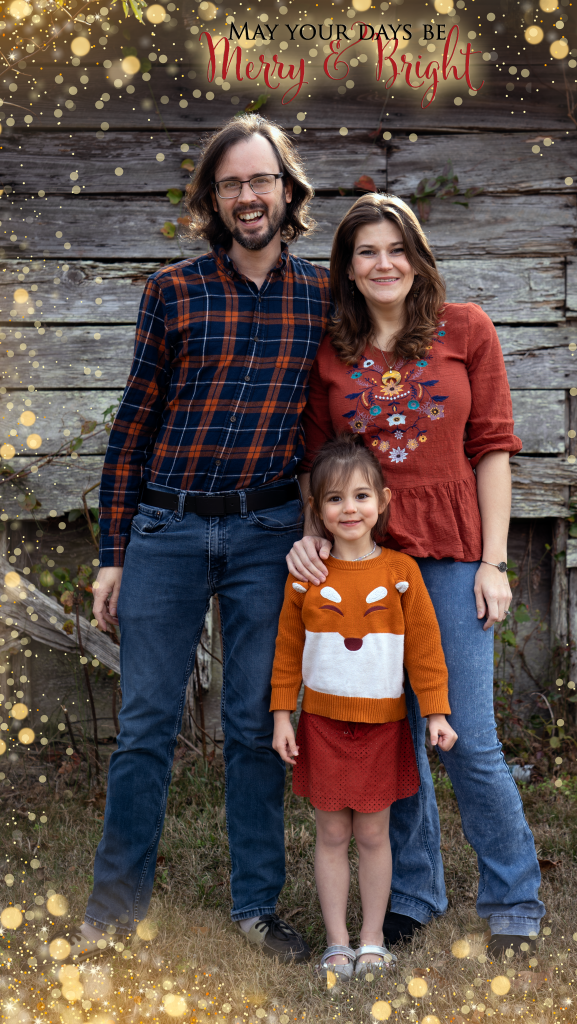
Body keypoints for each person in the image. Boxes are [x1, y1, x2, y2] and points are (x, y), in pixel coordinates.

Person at [50, 115, 331, 966]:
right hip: (168, 530)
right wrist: (114, 553)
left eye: (262, 180)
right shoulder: (172, 291)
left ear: (288, 190)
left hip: (267, 531)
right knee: (144, 726)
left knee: (253, 725)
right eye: (231, 183)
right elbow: (131, 427)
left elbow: (326, 425)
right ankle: (112, 911)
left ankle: (255, 910)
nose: (248, 197)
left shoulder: (321, 296)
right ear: (213, 199)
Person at [287, 193, 546, 957]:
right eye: (365, 251)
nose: (383, 263)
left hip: (453, 559)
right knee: (385, 737)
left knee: (464, 737)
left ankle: (513, 900)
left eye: (395, 248)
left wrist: (493, 563)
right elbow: (316, 463)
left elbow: (492, 446)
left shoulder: (466, 329)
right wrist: (310, 539)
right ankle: (413, 894)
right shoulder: (330, 349)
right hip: (363, 566)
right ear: (347, 267)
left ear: (418, 254)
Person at [271, 435, 456, 982]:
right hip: (322, 726)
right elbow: (286, 651)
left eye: (359, 496)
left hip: (382, 727)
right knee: (330, 835)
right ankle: (336, 943)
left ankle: (372, 941)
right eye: (333, 499)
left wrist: (437, 713)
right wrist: (283, 715)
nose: (348, 509)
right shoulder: (307, 575)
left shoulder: (400, 572)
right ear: (317, 510)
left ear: (383, 500)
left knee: (373, 835)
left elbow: (425, 650)